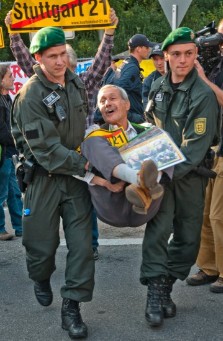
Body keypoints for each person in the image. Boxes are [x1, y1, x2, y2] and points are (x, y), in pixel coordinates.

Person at [5, 8, 119, 260]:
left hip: (80, 162)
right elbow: (28, 62)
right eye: (54, 58)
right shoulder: (39, 90)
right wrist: (14, 35)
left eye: (65, 60)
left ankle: (89, 246)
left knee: (83, 213)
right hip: (51, 165)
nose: (60, 66)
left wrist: (109, 32)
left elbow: (101, 63)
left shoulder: (83, 83)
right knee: (44, 233)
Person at [11, 26, 95, 340]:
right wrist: (87, 164)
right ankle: (40, 276)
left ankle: (72, 305)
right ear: (37, 58)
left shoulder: (76, 83)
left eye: (62, 54)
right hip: (44, 179)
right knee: (41, 248)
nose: (60, 61)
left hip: (75, 181)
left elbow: (84, 126)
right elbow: (45, 150)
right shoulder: (30, 94)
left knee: (83, 247)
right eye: (52, 56)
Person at [141, 27, 220, 328]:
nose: (182, 60)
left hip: (187, 178)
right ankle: (154, 293)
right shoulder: (157, 87)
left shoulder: (203, 95)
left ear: (196, 55)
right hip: (160, 179)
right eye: (176, 54)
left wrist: (159, 171)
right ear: (166, 57)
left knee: (188, 241)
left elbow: (194, 149)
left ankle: (166, 285)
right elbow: (149, 126)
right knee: (157, 234)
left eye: (189, 53)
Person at [79, 84, 167, 226]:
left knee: (161, 138)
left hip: (146, 206)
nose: (107, 103)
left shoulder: (145, 129)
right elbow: (73, 168)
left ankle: (148, 184)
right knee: (91, 142)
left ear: (127, 104)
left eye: (112, 98)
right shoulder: (94, 135)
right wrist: (105, 183)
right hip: (112, 205)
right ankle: (139, 180)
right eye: (102, 101)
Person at [186, 19, 223, 293]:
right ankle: (208, 267)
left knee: (219, 215)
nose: (215, 41)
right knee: (203, 214)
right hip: (212, 148)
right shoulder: (218, 63)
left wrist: (204, 80)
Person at [96, 34, 155, 124]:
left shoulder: (126, 64)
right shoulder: (132, 68)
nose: (148, 50)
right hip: (130, 119)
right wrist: (133, 116)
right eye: (146, 47)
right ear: (138, 49)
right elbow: (116, 89)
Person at [0, 63, 23, 241]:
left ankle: (20, 227)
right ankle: (1, 229)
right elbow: (3, 131)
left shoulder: (8, 98)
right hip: (3, 154)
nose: (13, 78)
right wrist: (17, 139)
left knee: (14, 192)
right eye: (9, 76)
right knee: (2, 193)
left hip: (10, 152)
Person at [142, 43, 165, 110]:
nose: (159, 63)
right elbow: (146, 105)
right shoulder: (149, 81)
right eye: (155, 59)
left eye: (161, 58)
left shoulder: (178, 75)